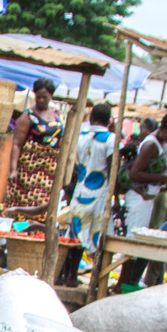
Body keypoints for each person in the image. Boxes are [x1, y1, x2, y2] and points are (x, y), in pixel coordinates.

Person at [119, 110, 167, 287]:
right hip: (139, 199)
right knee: (133, 244)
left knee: (140, 244)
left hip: (149, 199)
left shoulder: (162, 143)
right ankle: (122, 283)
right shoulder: (151, 145)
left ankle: (129, 283)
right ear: (163, 128)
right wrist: (163, 178)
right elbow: (135, 173)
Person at [60, 103, 116, 254]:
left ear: (90, 118)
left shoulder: (80, 138)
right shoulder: (111, 139)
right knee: (96, 237)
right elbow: (112, 170)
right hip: (100, 195)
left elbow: (75, 164)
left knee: (77, 234)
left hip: (80, 192)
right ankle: (95, 273)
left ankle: (70, 274)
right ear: (109, 121)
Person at [3, 76, 62, 207]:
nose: (41, 100)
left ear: (51, 96)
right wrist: (13, 170)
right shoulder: (28, 116)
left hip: (49, 169)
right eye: (38, 96)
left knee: (45, 203)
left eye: (45, 97)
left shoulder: (56, 113)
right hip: (31, 167)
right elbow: (17, 144)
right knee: (28, 201)